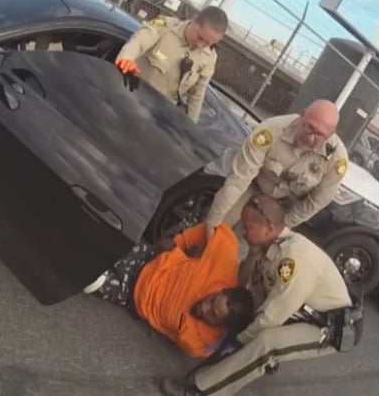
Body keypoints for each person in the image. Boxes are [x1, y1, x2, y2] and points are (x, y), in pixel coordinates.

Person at [161, 195, 362, 396]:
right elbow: (255, 293)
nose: (244, 233)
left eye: (248, 228)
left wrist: (240, 340)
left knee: (267, 343)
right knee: (249, 325)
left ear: (269, 229)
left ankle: (201, 390)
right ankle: (248, 362)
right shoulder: (270, 247)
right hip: (301, 309)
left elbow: (273, 316)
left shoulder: (293, 261)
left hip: (331, 326)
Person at [85, 222, 254, 358]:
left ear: (222, 326)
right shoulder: (224, 267)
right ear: (225, 289)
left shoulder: (202, 344)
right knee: (95, 232)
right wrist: (179, 241)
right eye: (211, 300)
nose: (204, 308)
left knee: (87, 276)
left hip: (130, 295)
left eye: (213, 315)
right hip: (146, 257)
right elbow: (213, 228)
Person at [204, 99, 348, 241]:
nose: (311, 138)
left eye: (320, 135)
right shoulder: (271, 131)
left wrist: (285, 224)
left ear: (331, 134)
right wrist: (213, 222)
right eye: (309, 127)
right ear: (302, 115)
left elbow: (315, 202)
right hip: (252, 186)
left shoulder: (337, 161)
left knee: (267, 255)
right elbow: (239, 179)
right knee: (215, 231)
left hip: (284, 207)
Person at [113, 6, 228, 123]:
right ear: (194, 20)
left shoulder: (209, 58)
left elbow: (196, 96)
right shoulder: (165, 27)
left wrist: (190, 129)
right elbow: (138, 42)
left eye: (208, 43)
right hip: (128, 98)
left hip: (156, 117)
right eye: (200, 37)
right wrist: (126, 58)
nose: (201, 45)